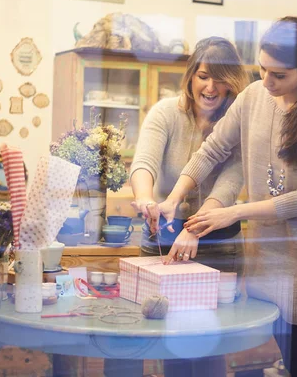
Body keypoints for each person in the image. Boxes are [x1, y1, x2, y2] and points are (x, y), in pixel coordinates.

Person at [159, 16, 297, 377]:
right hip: (264, 263)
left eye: (279, 75)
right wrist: (175, 196)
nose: (267, 81)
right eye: (262, 69)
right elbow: (212, 149)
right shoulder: (253, 96)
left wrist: (233, 213)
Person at [116, 37, 248, 377]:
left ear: (233, 82)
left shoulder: (238, 123)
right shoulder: (165, 113)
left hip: (217, 242)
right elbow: (143, 162)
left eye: (220, 78)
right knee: (159, 335)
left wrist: (193, 229)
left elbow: (229, 185)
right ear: (191, 76)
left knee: (206, 344)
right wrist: (146, 200)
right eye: (203, 75)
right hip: (164, 232)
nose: (211, 86)